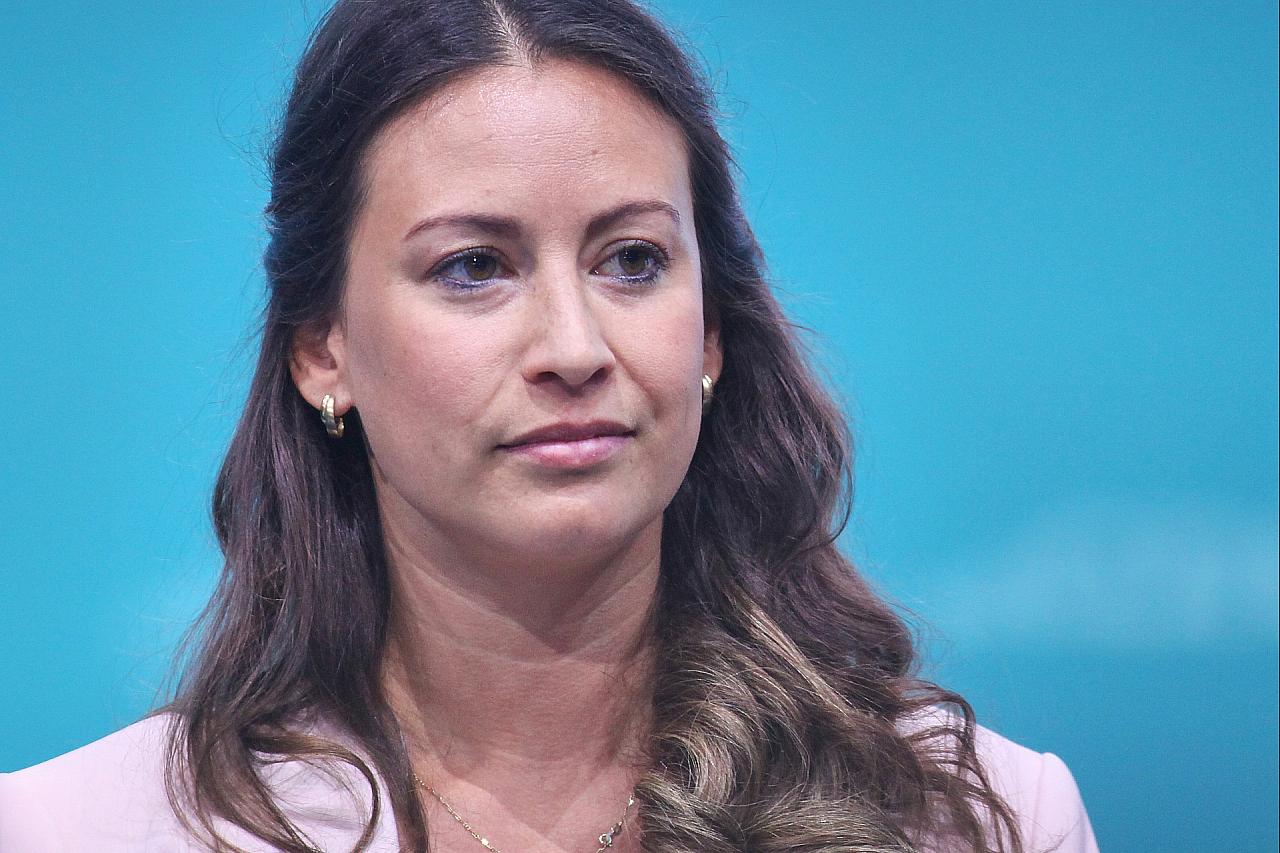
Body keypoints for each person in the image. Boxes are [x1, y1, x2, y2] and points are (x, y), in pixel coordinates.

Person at [0, 1, 1099, 851]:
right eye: (474, 266)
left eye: (633, 260)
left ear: (712, 330)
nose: (573, 347)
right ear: (321, 346)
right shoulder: (69, 829)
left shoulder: (979, 818)